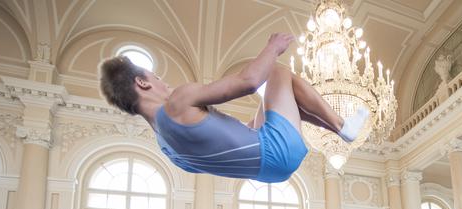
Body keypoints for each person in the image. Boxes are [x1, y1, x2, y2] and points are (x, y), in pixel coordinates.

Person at [100, 32, 368, 183]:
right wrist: (273, 47)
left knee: (275, 99)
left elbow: (233, 147)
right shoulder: (177, 101)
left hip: (269, 173)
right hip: (277, 149)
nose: (164, 82)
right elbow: (248, 82)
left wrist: (259, 118)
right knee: (277, 72)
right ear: (141, 83)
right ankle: (342, 127)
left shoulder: (168, 148)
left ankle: (340, 129)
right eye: (156, 78)